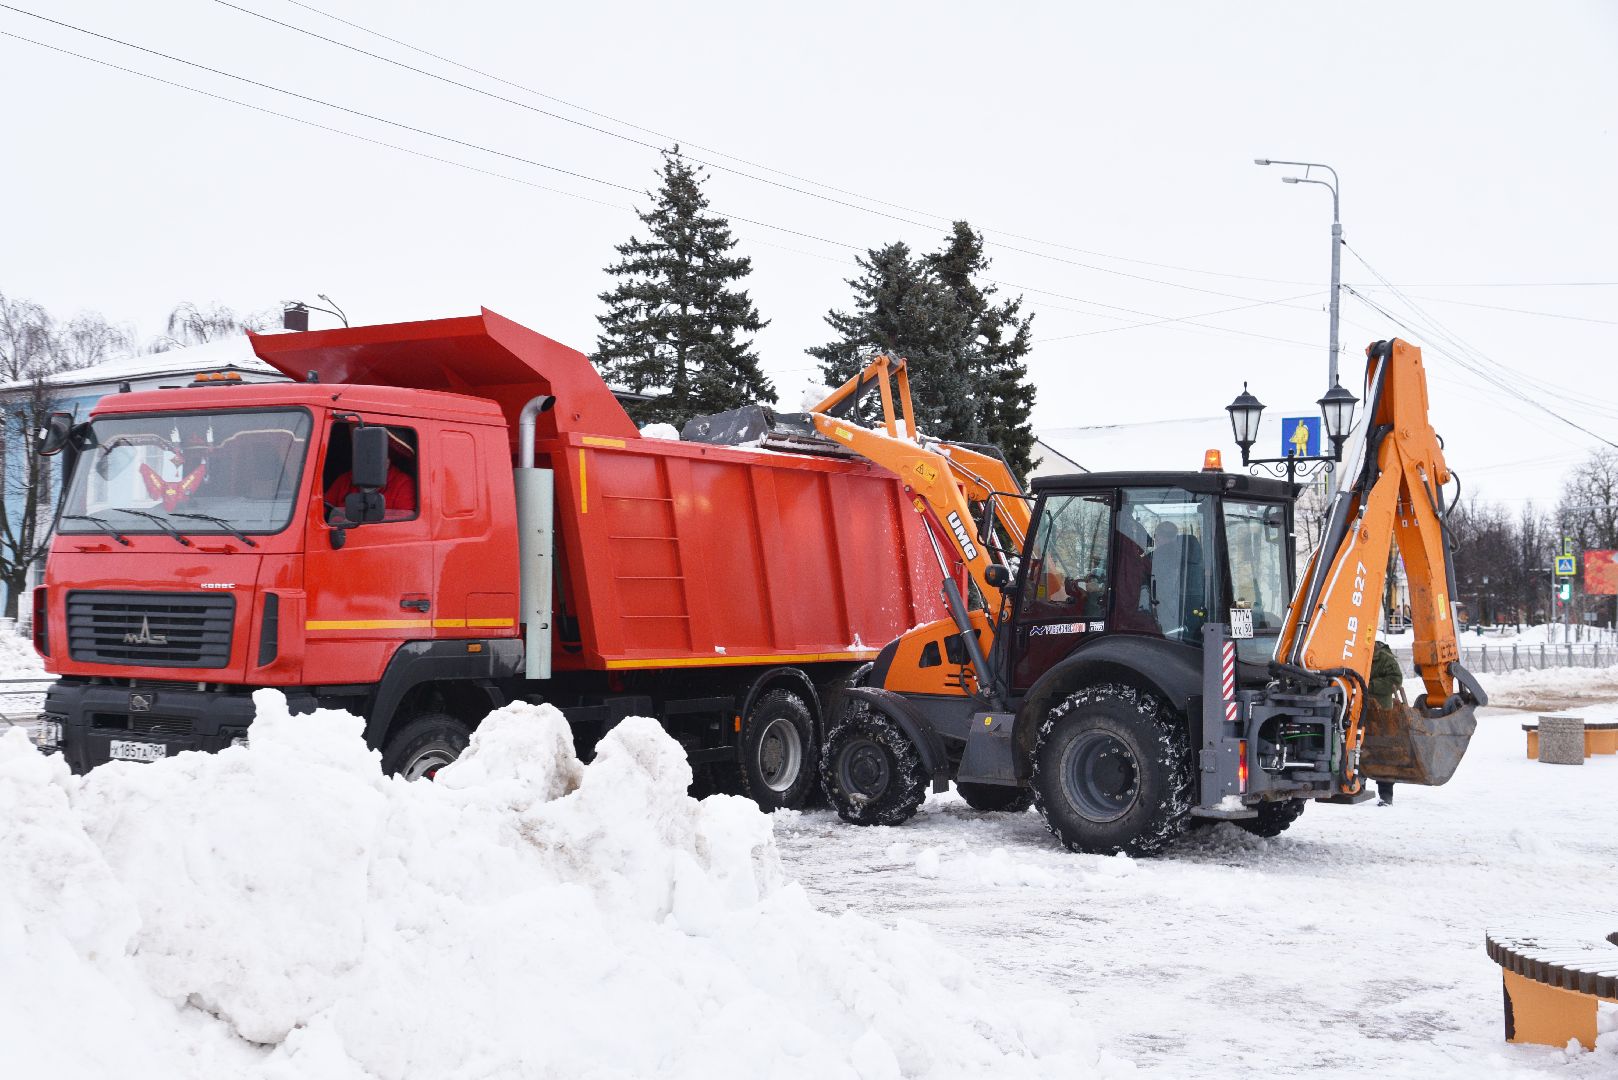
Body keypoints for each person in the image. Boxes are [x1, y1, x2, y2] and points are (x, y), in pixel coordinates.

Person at [326, 443, 417, 521]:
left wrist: (351, 518)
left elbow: (404, 520)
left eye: (373, 458)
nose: (367, 462)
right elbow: (322, 509)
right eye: (363, 457)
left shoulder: (402, 483)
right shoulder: (344, 479)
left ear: (387, 462)